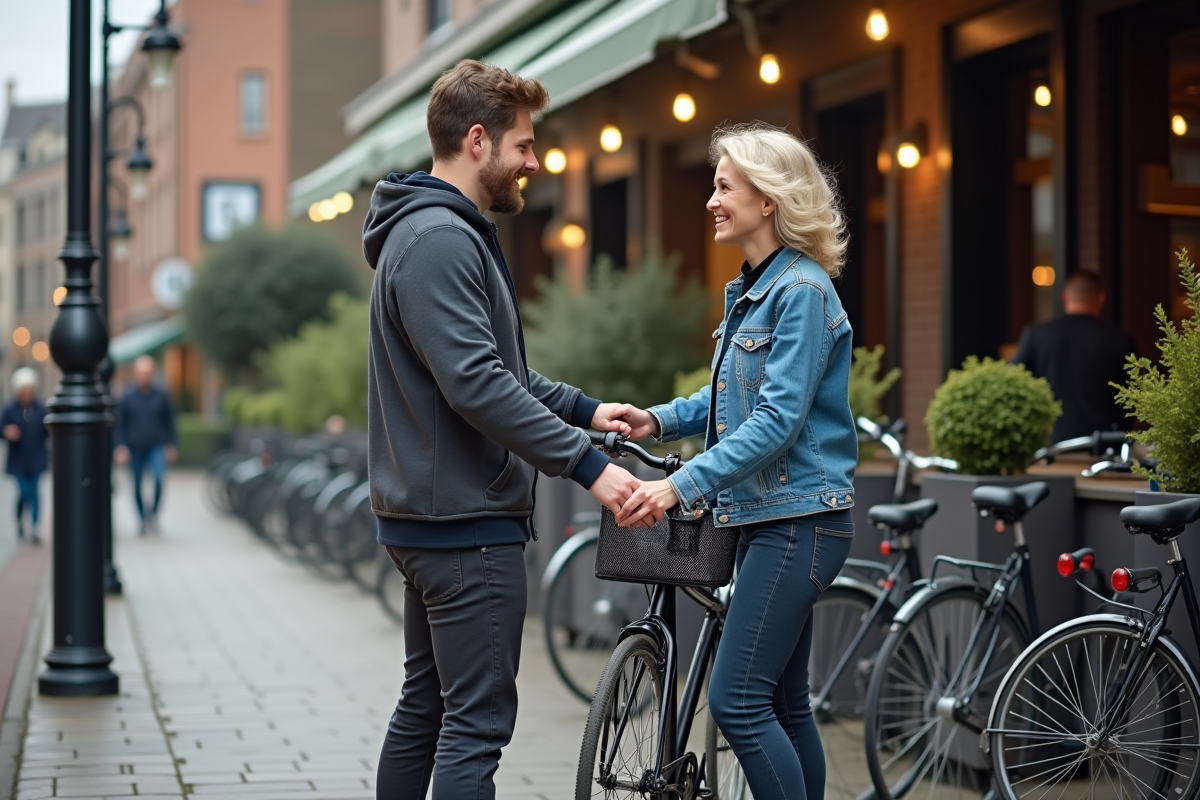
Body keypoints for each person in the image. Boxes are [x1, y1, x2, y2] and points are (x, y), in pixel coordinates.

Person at [361, 59, 641, 800]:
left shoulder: (426, 233)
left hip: (432, 517)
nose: (534, 160)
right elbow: (476, 384)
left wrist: (582, 409)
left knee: (427, 707)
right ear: (478, 141)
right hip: (462, 525)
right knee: (475, 725)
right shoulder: (439, 241)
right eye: (523, 144)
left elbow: (495, 370)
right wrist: (589, 465)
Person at [614, 123, 859, 800]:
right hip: (773, 518)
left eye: (724, 187)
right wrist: (657, 419)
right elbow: (728, 397)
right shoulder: (757, 287)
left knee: (738, 702)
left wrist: (678, 486)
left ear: (769, 200)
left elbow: (777, 421)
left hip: (798, 521)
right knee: (782, 705)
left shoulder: (802, 292)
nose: (711, 201)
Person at [1012, 270, 1137, 442]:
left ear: (1064, 298)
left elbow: (1013, 383)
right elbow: (1134, 397)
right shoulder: (1120, 341)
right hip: (1104, 446)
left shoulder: (1037, 335)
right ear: (1101, 299)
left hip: (1050, 446)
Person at [114, 355, 177, 534]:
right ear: (136, 374)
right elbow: (121, 424)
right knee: (136, 484)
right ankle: (142, 519)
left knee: (158, 480)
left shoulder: (161, 394)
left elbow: (170, 421)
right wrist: (120, 446)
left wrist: (171, 444)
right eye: (141, 372)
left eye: (147, 372)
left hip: (156, 446)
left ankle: (153, 515)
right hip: (134, 447)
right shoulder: (128, 395)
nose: (144, 376)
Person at [2, 368, 48, 544]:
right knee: (24, 492)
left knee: (36, 493)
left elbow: (47, 430)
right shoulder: (10, 410)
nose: (27, 395)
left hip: (36, 457)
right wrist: (7, 432)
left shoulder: (40, 409)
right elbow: (2, 428)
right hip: (18, 459)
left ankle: (35, 527)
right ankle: (20, 518)